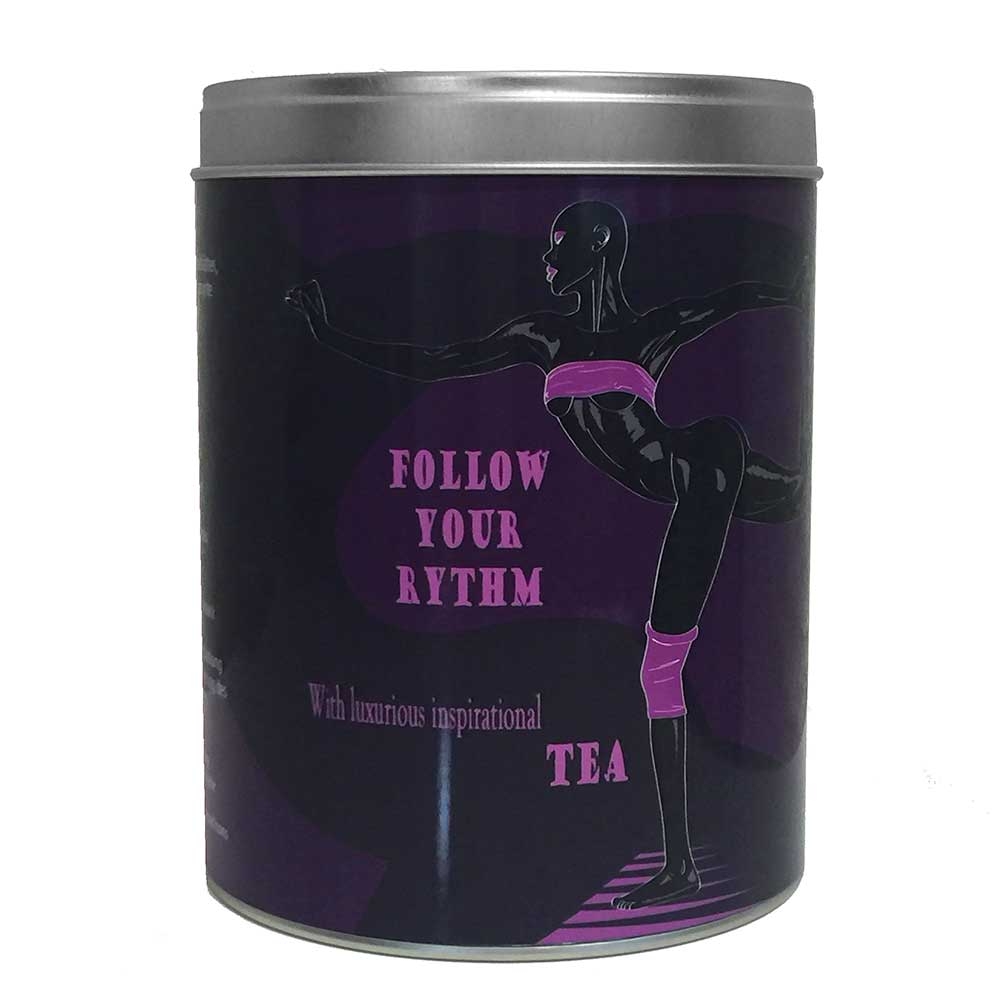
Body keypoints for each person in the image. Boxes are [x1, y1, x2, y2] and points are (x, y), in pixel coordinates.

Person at [286, 200, 806, 909]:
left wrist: (792, 284)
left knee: (666, 658)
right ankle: (680, 867)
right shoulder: (543, 335)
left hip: (702, 462)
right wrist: (331, 335)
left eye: (559, 244)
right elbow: (434, 362)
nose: (546, 256)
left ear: (599, 246)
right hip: (694, 477)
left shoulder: (653, 329)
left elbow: (736, 296)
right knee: (784, 500)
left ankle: (681, 867)